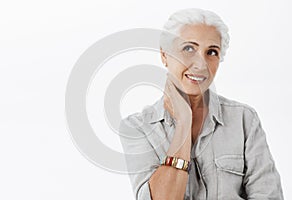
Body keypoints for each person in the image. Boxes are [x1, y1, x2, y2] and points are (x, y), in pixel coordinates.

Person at [119, 8, 284, 200]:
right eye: (189, 48)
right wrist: (183, 124)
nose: (201, 64)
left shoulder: (243, 119)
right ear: (164, 55)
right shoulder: (137, 128)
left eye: (211, 52)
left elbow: (269, 195)